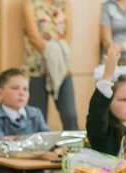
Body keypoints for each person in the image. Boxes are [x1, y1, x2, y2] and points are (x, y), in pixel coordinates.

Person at [22, 0, 78, 130]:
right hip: (36, 67)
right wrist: (51, 53)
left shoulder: (65, 5)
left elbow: (68, 36)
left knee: (70, 115)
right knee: (38, 117)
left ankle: (73, 149)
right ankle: (39, 150)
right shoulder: (29, 5)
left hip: (63, 68)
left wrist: (56, 58)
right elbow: (33, 36)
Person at [87, 44, 126, 157]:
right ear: (108, 103)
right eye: (123, 100)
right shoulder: (104, 133)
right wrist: (107, 76)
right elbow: (97, 112)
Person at [101, 0, 126, 66]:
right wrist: (114, 48)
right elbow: (106, 39)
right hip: (112, 54)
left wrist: (123, 46)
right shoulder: (106, 6)